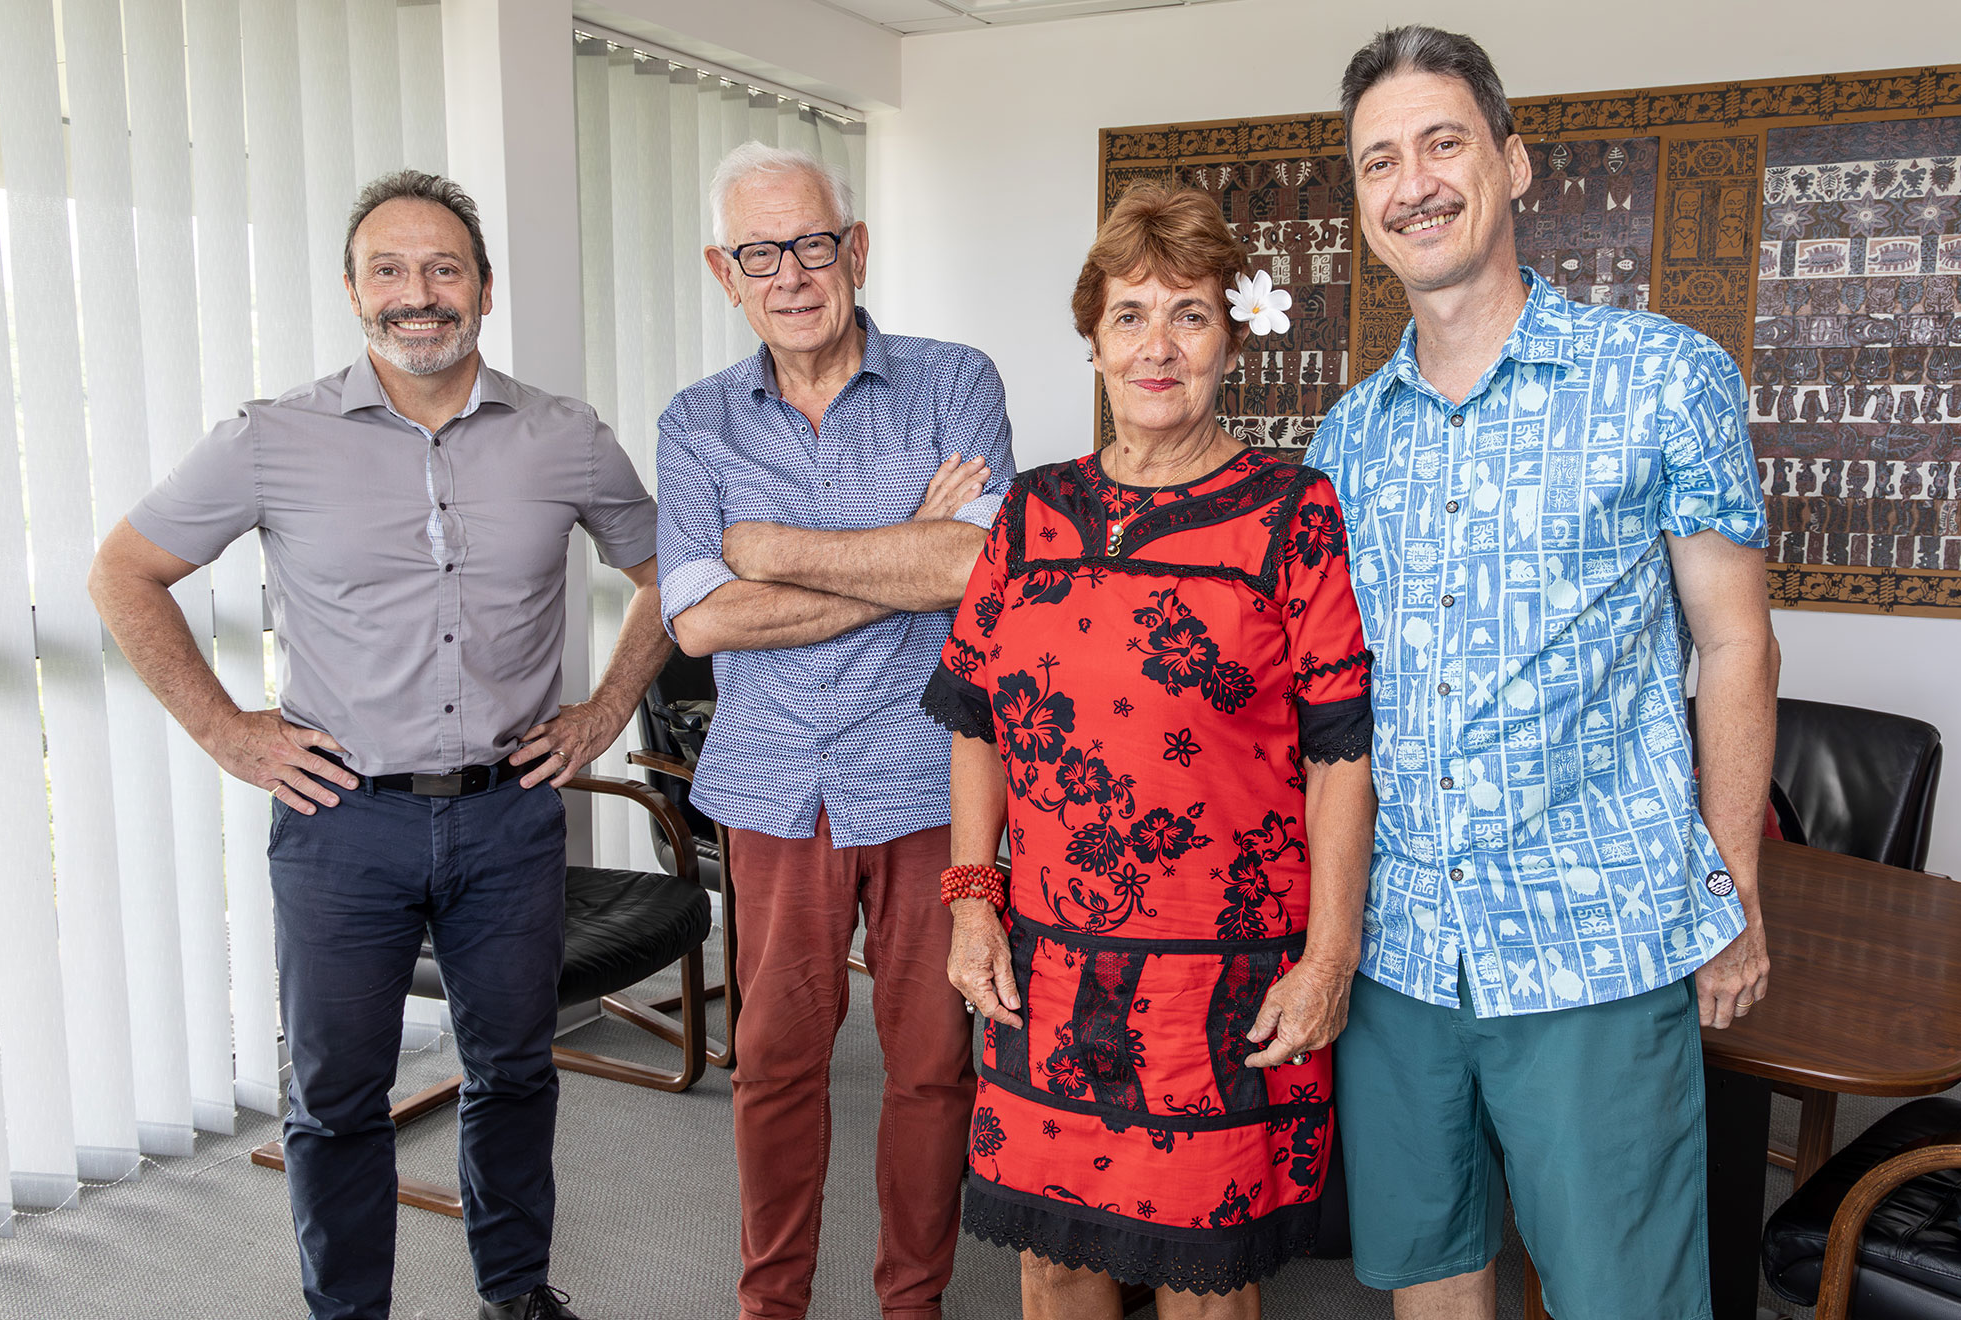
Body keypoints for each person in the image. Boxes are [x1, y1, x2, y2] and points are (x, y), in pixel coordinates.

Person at [87, 171, 669, 1320]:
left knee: (514, 1075)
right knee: (335, 1098)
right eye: (391, 270)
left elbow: (667, 576)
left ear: (484, 292)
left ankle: (516, 1295)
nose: (420, 294)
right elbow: (124, 572)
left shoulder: (565, 436)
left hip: (508, 816)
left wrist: (602, 713)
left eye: (444, 268)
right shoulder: (271, 436)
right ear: (353, 291)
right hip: (342, 820)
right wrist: (226, 730)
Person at [1309, 26, 1778, 1320]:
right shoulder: (1344, 443)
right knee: (1429, 1277)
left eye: (1444, 142)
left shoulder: (1665, 381)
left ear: (1513, 163)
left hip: (1597, 944)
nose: (1415, 182)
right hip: (1398, 955)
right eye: (1380, 161)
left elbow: (1736, 642)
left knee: (1621, 1298)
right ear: (1361, 206)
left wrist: (1731, 884)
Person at [925, 181, 1377, 1320]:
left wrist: (1329, 962)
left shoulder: (1293, 513)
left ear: (1232, 339)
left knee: (1203, 1283)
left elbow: (1340, 757)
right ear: (1092, 340)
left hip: (1222, 982)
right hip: (1051, 965)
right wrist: (974, 903)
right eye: (1130, 314)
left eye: (1190, 313)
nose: (1157, 345)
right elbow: (975, 720)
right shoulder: (1028, 518)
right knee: (1057, 1258)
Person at [653, 141, 1018, 1320]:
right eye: (761, 253)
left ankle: (910, 1304)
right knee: (774, 1070)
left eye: (814, 244)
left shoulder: (956, 382)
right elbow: (703, 625)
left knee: (930, 1071)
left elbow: (976, 568)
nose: (792, 274)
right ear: (727, 270)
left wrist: (772, 548)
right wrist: (900, 551)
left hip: (927, 778)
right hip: (772, 788)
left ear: (854, 250)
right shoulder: (697, 421)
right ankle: (775, 1304)